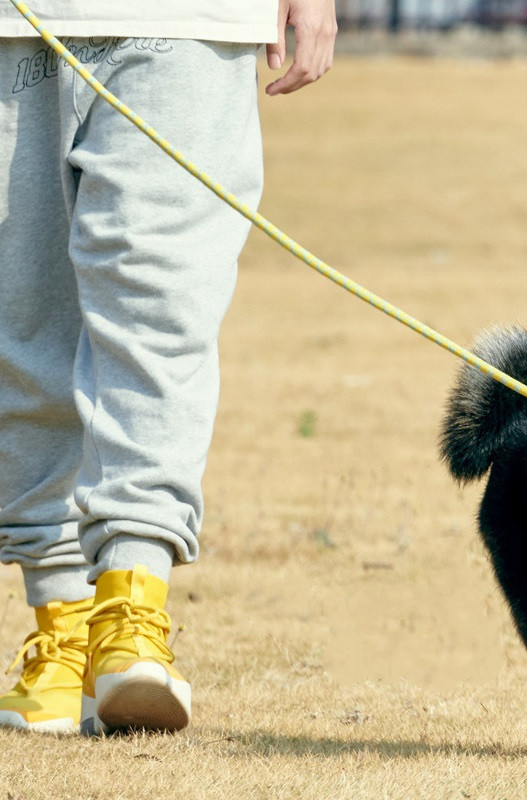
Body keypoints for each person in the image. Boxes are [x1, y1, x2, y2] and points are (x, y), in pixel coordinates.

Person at [0, 0, 336, 735]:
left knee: (160, 307)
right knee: (17, 315)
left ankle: (131, 610)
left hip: (191, 18)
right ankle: (62, 625)